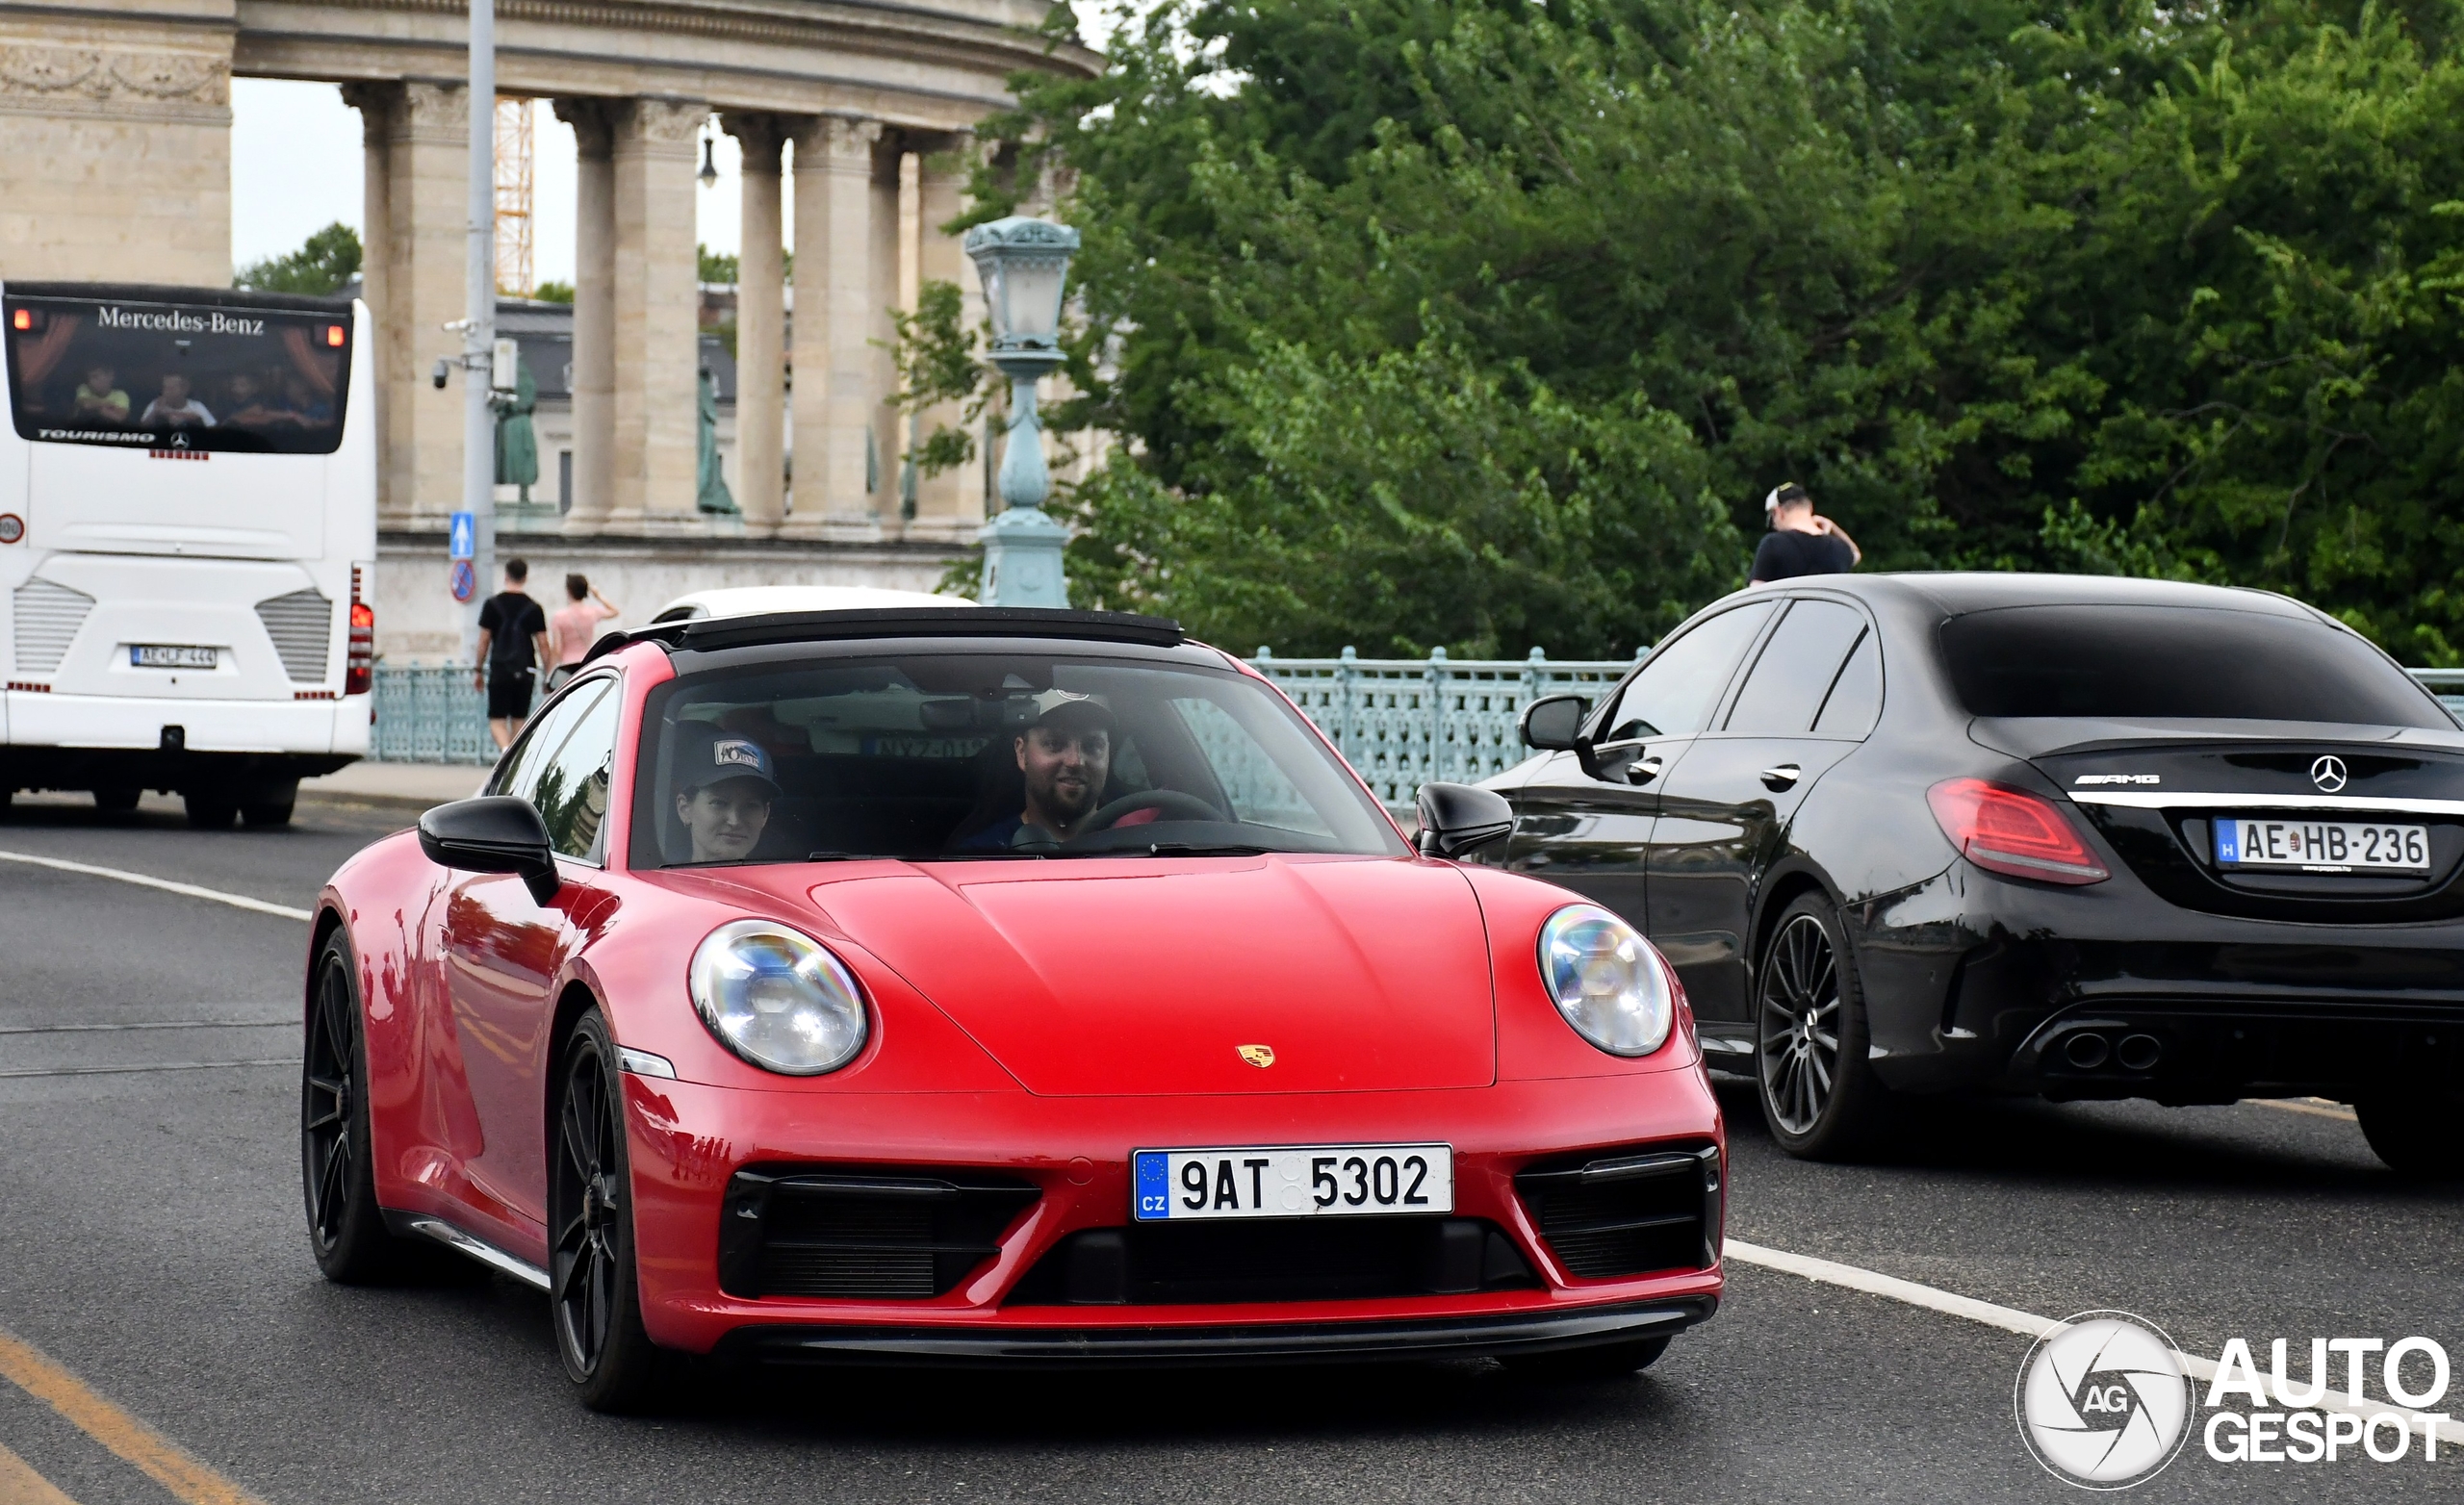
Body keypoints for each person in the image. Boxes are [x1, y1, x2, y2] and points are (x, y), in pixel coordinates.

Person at [956, 691, 1154, 850]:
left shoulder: (1147, 847)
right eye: (1054, 744)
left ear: (1108, 753)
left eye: (1092, 746)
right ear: (1022, 753)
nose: (1075, 761)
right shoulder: (981, 856)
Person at [474, 559, 552, 749]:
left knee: (497, 719)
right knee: (519, 719)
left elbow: (484, 640)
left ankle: (504, 750)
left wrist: (478, 670)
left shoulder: (491, 605)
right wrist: (549, 675)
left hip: (499, 670)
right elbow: (543, 644)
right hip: (525, 671)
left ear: (506, 576)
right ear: (525, 577)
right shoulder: (534, 608)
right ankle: (512, 757)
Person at [672, 724, 778, 863]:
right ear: (684, 809)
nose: (734, 821)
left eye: (750, 806)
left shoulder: (789, 883)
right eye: (719, 803)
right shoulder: (646, 884)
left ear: (765, 815)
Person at [1750, 481, 1861, 585]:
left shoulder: (1772, 544)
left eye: (1773, 519)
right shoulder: (1839, 548)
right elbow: (1856, 553)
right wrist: (1832, 527)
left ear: (1779, 512)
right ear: (1810, 507)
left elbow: (1755, 594)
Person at [550, 574, 620, 670]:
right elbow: (614, 612)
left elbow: (557, 649)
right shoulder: (592, 612)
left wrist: (550, 670)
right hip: (586, 663)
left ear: (568, 591)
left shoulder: (559, 617)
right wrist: (598, 595)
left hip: (567, 665)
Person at [139, 373, 214, 429]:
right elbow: (142, 429)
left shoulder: (197, 406)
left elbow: (212, 427)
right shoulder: (155, 404)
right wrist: (155, 412)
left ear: (184, 390)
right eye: (165, 388)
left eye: (172, 388)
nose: (167, 391)